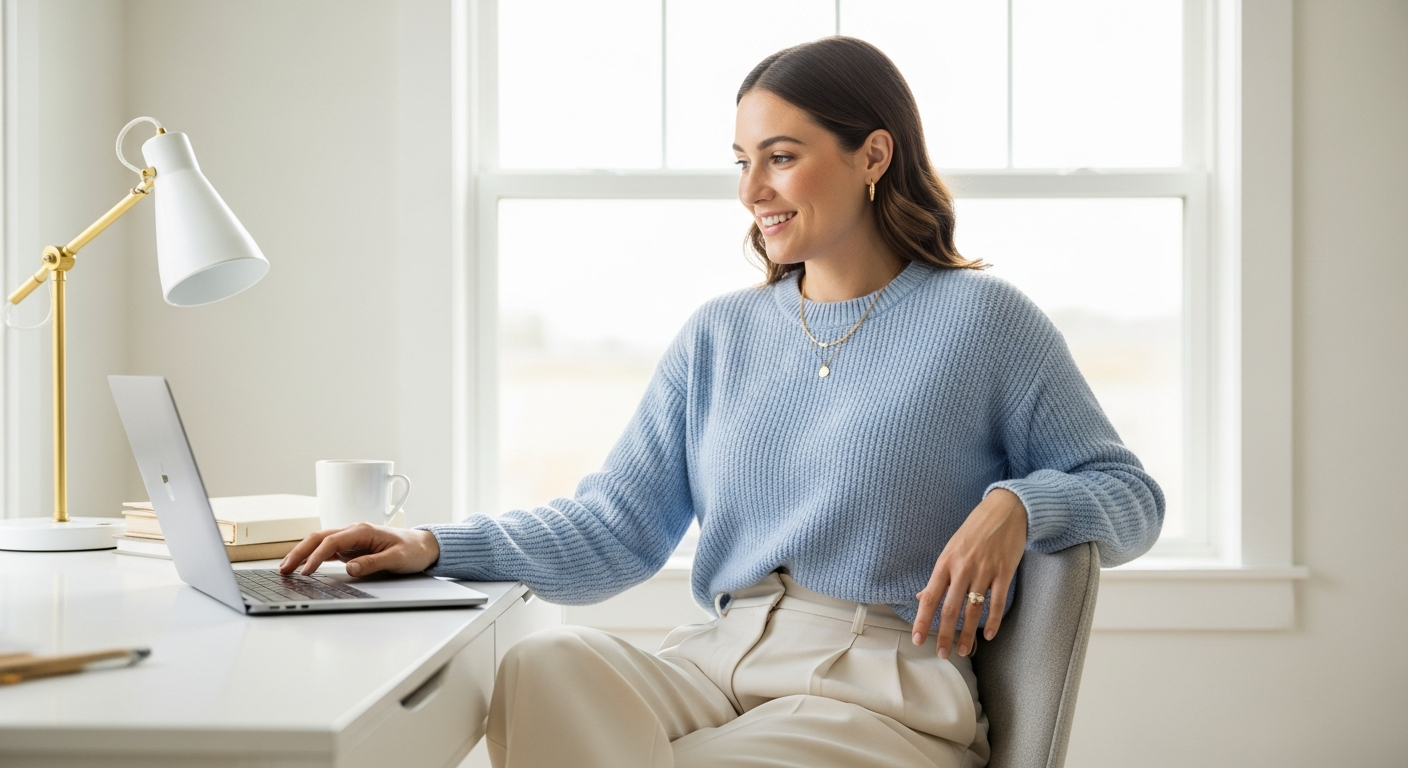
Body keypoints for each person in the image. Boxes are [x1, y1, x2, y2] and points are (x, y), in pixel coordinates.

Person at [281, 36, 1163, 768]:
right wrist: (433, 544)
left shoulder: (983, 322)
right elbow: (614, 527)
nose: (752, 191)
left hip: (877, 693)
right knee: (543, 666)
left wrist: (1019, 502)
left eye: (782, 158)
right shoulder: (720, 335)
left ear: (873, 155)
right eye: (745, 162)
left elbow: (1130, 496)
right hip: (715, 661)